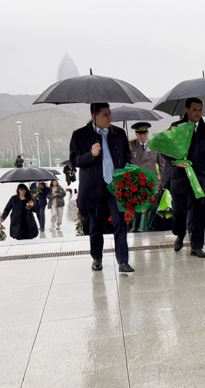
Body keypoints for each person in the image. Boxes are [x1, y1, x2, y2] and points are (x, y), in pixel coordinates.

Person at [70, 102, 135, 273]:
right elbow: (75, 160)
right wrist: (90, 154)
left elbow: (128, 157)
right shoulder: (80, 135)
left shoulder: (119, 134)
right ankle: (97, 258)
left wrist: (127, 173)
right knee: (95, 225)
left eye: (110, 113)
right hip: (93, 187)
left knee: (120, 223)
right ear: (94, 116)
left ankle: (123, 261)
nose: (110, 117)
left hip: (116, 186)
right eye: (106, 114)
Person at [168, 98, 205, 258]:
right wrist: (175, 162)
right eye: (194, 110)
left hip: (199, 178)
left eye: (200, 110)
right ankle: (180, 232)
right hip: (180, 177)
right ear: (187, 110)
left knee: (199, 213)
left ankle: (197, 246)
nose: (197, 113)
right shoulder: (176, 127)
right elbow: (166, 151)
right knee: (179, 212)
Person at [129, 122, 166, 232]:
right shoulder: (131, 146)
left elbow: (162, 164)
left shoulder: (154, 145)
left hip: (151, 181)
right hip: (137, 182)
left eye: (144, 133)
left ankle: (150, 228)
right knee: (137, 207)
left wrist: (164, 181)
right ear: (136, 133)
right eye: (140, 134)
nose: (143, 136)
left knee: (153, 206)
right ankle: (135, 228)